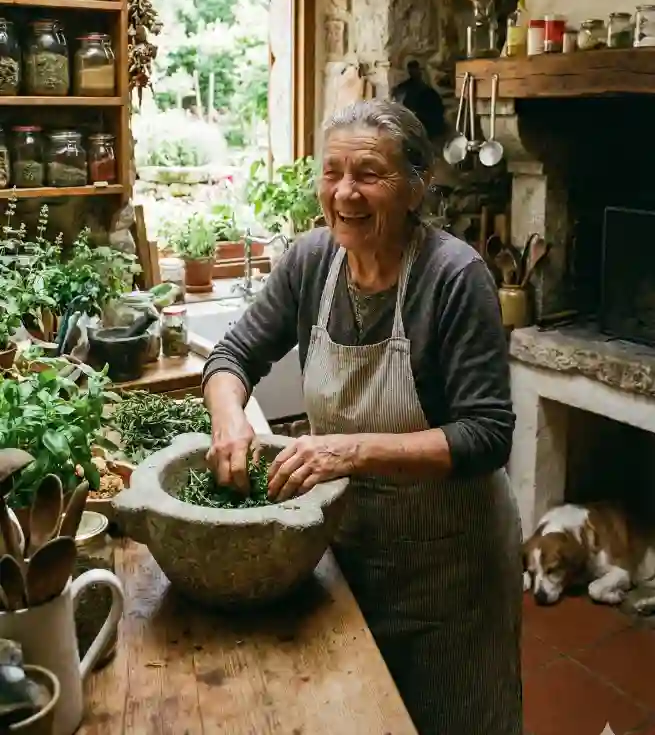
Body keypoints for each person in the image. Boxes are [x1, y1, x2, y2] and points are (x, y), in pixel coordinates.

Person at [202, 99, 522, 735]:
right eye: (332, 172)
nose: (344, 192)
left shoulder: (455, 277)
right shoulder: (310, 260)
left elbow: (486, 436)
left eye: (368, 174)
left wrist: (344, 451)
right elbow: (232, 355)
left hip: (449, 569)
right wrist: (229, 419)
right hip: (348, 549)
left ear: (414, 187)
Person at [391, 59, 445, 141]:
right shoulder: (403, 89)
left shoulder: (428, 91)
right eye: (412, 70)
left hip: (424, 125)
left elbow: (437, 110)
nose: (415, 72)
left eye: (416, 70)